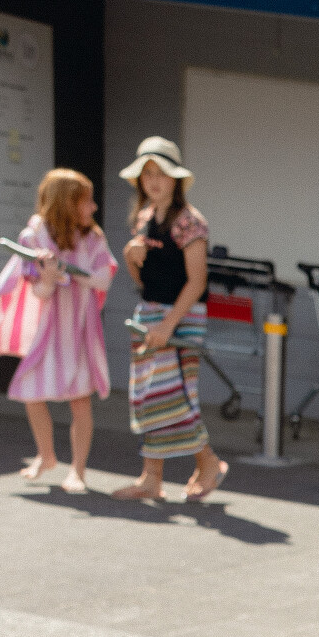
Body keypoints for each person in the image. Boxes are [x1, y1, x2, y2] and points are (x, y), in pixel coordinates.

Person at [0, 166, 116, 492]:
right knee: (31, 392)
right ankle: (46, 456)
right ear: (67, 203)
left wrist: (71, 272)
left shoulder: (93, 237)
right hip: (47, 333)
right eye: (86, 200)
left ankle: (78, 471)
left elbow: (103, 279)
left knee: (80, 401)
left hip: (79, 332)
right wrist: (48, 277)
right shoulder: (34, 235)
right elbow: (40, 293)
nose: (94, 207)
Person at [116, 135, 226, 502]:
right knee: (150, 397)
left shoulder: (189, 221)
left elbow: (197, 282)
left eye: (160, 173)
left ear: (175, 179)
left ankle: (207, 463)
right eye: (146, 174)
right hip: (149, 313)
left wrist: (168, 325)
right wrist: (131, 258)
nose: (153, 181)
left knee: (174, 397)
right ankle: (152, 478)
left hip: (181, 318)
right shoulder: (144, 218)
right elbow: (144, 281)